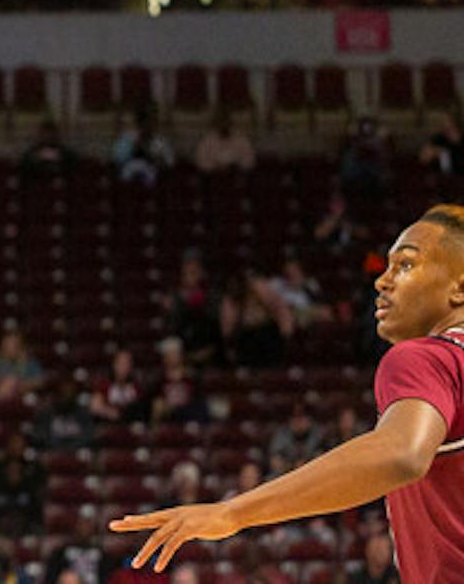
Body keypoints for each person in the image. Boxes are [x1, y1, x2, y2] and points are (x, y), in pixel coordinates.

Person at [110, 204, 464, 578]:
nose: (382, 280)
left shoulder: (426, 358)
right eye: (387, 266)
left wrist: (232, 512)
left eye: (405, 265)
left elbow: (401, 454)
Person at [193, 109, 254, 175]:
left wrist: (234, 166)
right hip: (213, 174)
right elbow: (200, 159)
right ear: (216, 124)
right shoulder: (208, 138)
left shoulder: (241, 138)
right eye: (221, 123)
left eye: (226, 122)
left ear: (230, 123)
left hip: (236, 174)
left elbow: (250, 159)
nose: (224, 125)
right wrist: (215, 166)